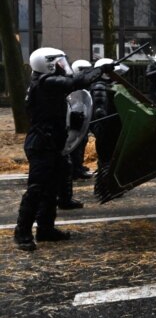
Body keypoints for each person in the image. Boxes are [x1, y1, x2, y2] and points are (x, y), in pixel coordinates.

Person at [14, 48, 110, 251]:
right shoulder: (45, 81)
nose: (62, 66)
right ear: (46, 63)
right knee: (37, 189)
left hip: (52, 141)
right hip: (42, 144)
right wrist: (99, 70)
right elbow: (75, 82)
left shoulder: (45, 83)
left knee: (52, 188)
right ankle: (22, 232)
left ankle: (45, 230)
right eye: (58, 62)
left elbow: (58, 107)